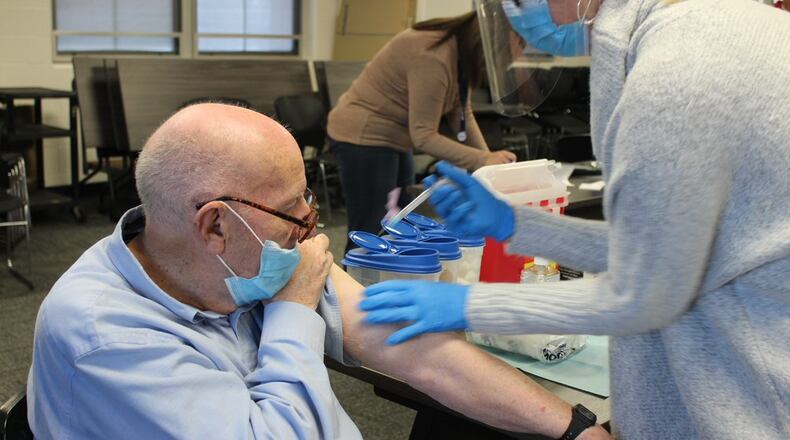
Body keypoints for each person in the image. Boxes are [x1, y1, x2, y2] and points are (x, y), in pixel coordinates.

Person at [27, 103, 611, 440]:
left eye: (310, 198)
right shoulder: (106, 338)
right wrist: (292, 310)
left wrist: (573, 428)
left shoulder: (251, 256)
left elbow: (411, 348)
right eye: (294, 210)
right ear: (213, 227)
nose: (312, 224)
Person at [358, 0, 790, 439]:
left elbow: (643, 293)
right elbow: (662, 247)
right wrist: (516, 225)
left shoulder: (681, 67)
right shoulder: (728, 27)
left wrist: (469, 305)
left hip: (748, 402)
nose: (521, 15)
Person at [328, 11, 517, 252]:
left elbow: (461, 112)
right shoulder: (434, 55)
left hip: (396, 136)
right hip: (363, 135)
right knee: (370, 230)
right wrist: (483, 158)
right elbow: (424, 135)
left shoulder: (458, 51)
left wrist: (489, 163)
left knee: (402, 221)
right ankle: (354, 284)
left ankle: (389, 280)